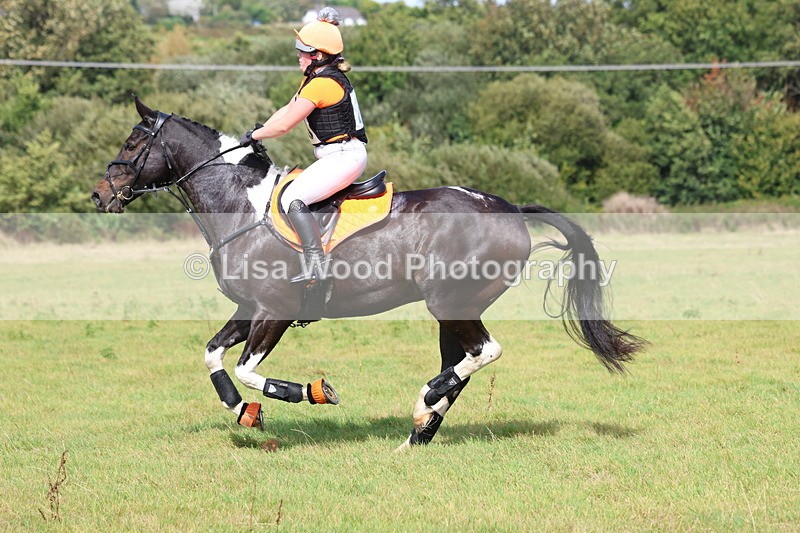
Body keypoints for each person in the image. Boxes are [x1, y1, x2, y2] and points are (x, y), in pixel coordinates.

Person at [240, 7, 368, 284]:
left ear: (318, 56)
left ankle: (316, 263)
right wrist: (258, 130)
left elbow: (286, 125)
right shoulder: (315, 79)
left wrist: (255, 137)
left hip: (344, 156)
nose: (298, 55)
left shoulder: (322, 85)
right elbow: (286, 110)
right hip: (336, 156)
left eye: (303, 51)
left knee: (291, 199)